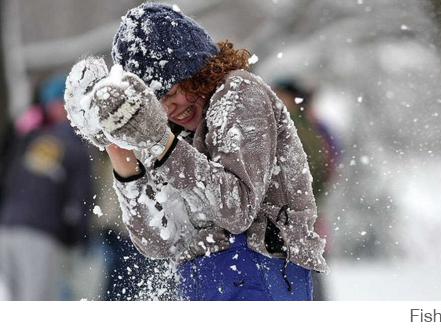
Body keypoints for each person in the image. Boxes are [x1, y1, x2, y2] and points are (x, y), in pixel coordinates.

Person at [64, 3, 327, 301]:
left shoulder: (240, 93)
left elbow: (237, 209)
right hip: (204, 281)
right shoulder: (170, 132)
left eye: (174, 90)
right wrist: (117, 147)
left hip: (263, 274)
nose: (169, 108)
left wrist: (162, 142)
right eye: (156, 101)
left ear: (201, 70)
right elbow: (160, 242)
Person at [0, 75, 92, 300]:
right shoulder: (74, 146)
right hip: (41, 234)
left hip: (6, 227)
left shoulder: (29, 137)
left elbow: (7, 179)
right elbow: (82, 199)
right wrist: (78, 239)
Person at [273, 79, 339, 300]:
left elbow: (323, 169)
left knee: (306, 277)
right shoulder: (311, 126)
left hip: (301, 218)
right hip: (304, 216)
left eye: (281, 95)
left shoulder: (301, 128)